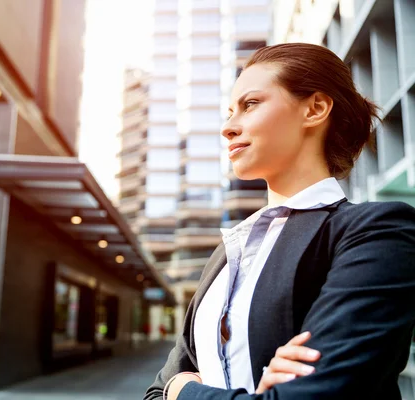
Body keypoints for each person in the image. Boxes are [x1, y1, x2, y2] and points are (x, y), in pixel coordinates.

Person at [144, 43, 415, 400]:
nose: (228, 127)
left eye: (250, 104)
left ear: (315, 108)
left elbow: (314, 396)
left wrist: (183, 391)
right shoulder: (228, 254)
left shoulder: (377, 232)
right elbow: (153, 392)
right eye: (229, 112)